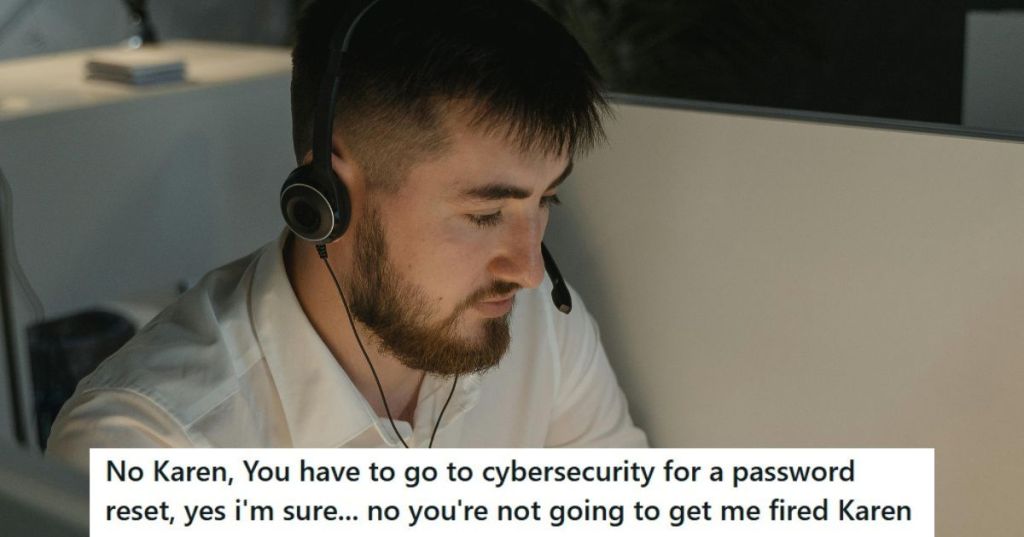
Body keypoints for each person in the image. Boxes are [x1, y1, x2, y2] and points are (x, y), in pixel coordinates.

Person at [47, 0, 646, 471]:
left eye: (546, 201)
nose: (530, 269)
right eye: (485, 215)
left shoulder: (539, 323)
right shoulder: (150, 445)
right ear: (325, 200)